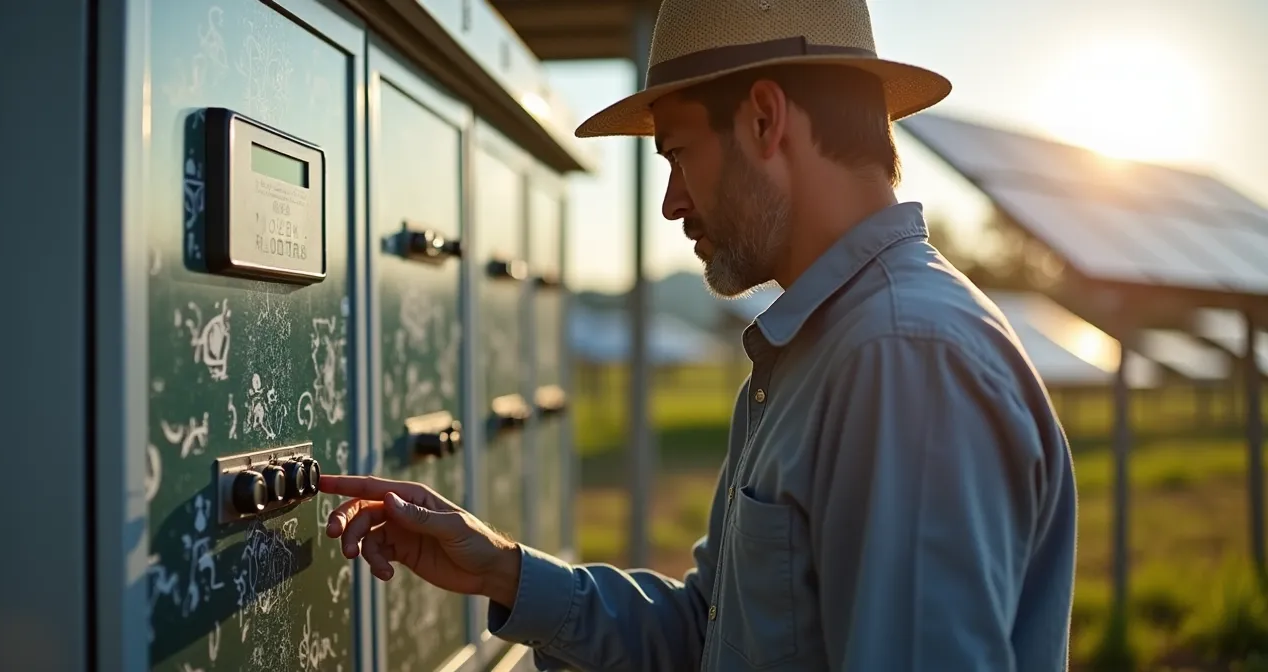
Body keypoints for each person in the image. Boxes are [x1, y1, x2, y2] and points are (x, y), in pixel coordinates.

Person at [320, 0, 1078, 670]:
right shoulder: (821, 350)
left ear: (764, 119)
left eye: (678, 153)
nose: (671, 202)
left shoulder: (902, 358)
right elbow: (711, 636)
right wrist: (502, 572)